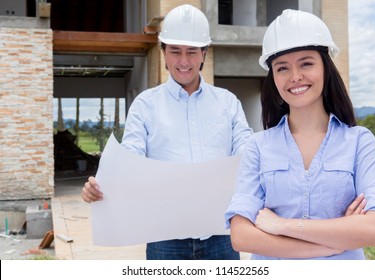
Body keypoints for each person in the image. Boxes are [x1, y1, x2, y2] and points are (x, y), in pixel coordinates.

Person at [81, 4, 253, 260]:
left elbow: (247, 152)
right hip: (165, 239)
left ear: (203, 53)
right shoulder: (145, 105)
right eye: (175, 52)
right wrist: (103, 186)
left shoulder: (227, 103)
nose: (184, 61)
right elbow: (131, 160)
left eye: (192, 52)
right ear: (163, 53)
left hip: (221, 236)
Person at [225, 9, 375, 260]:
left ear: (326, 67)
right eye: (282, 68)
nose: (295, 77)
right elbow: (241, 236)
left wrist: (283, 226)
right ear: (273, 78)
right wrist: (332, 243)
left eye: (306, 63)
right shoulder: (258, 146)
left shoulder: (359, 141)